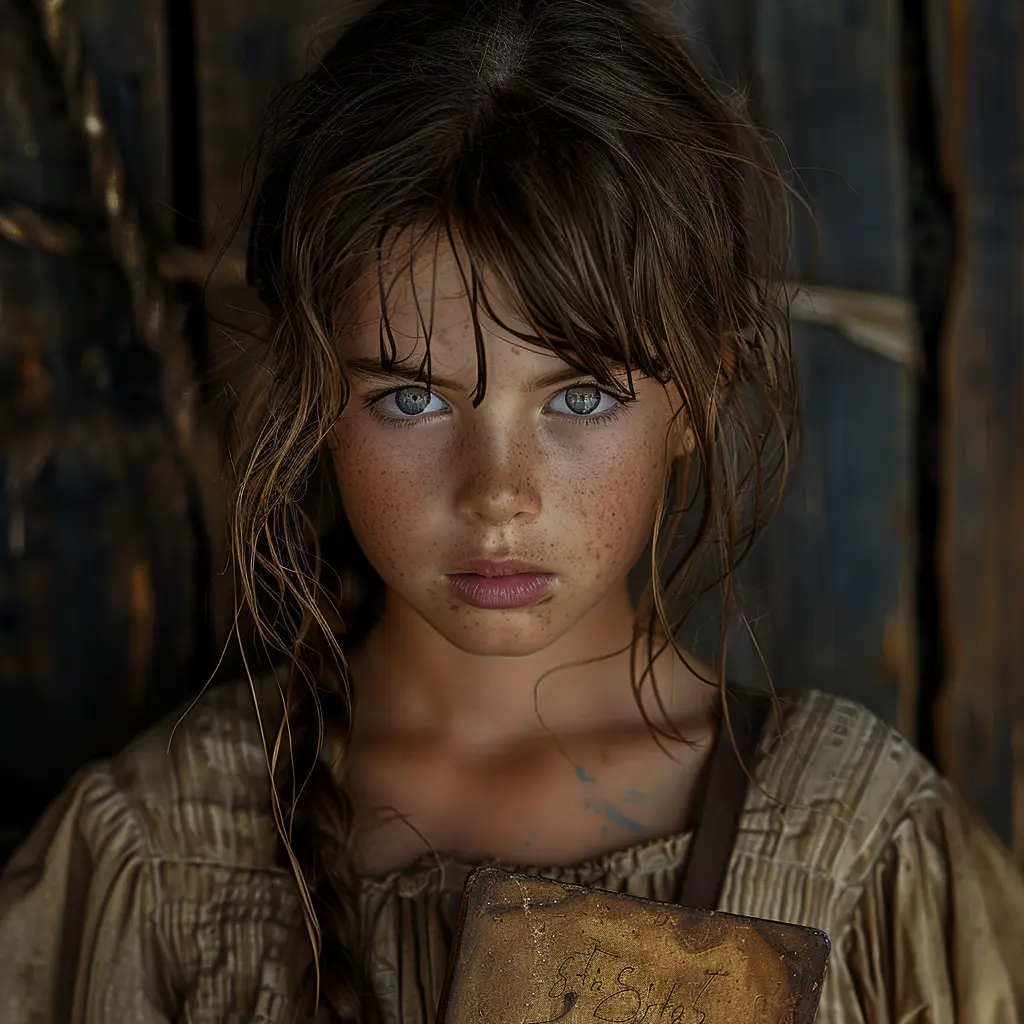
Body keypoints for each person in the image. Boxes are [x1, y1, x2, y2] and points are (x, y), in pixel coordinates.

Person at [1, 0, 1022, 1020]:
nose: (497, 494)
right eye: (413, 398)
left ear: (697, 396)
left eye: (579, 399)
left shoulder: (864, 858)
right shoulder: (156, 862)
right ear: (311, 396)